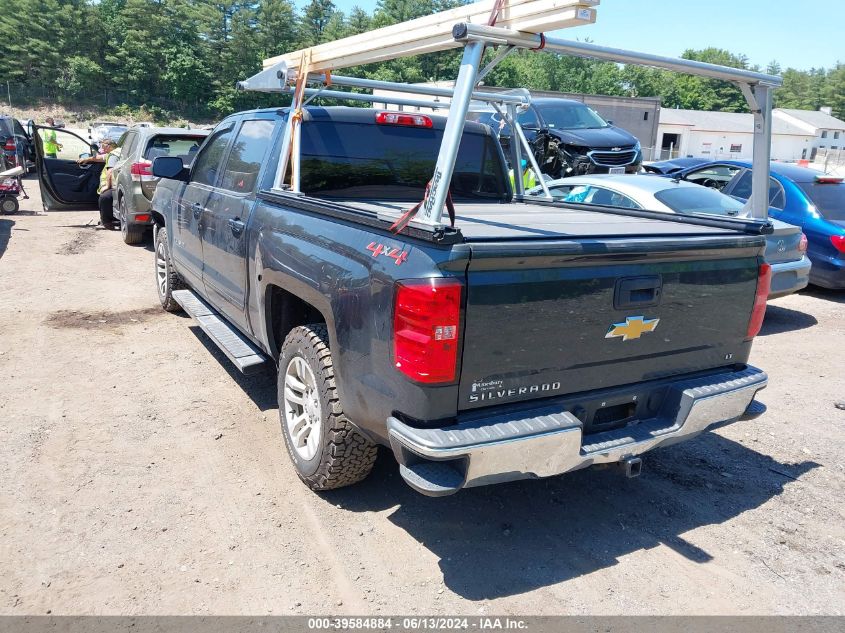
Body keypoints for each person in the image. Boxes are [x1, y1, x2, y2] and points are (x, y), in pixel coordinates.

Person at [77, 137, 119, 228]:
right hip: (115, 184)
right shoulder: (114, 153)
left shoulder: (114, 155)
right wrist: (88, 159)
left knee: (104, 198)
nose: (102, 149)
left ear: (110, 146)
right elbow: (100, 157)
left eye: (103, 146)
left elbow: (110, 171)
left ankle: (107, 222)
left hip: (114, 184)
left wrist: (108, 186)